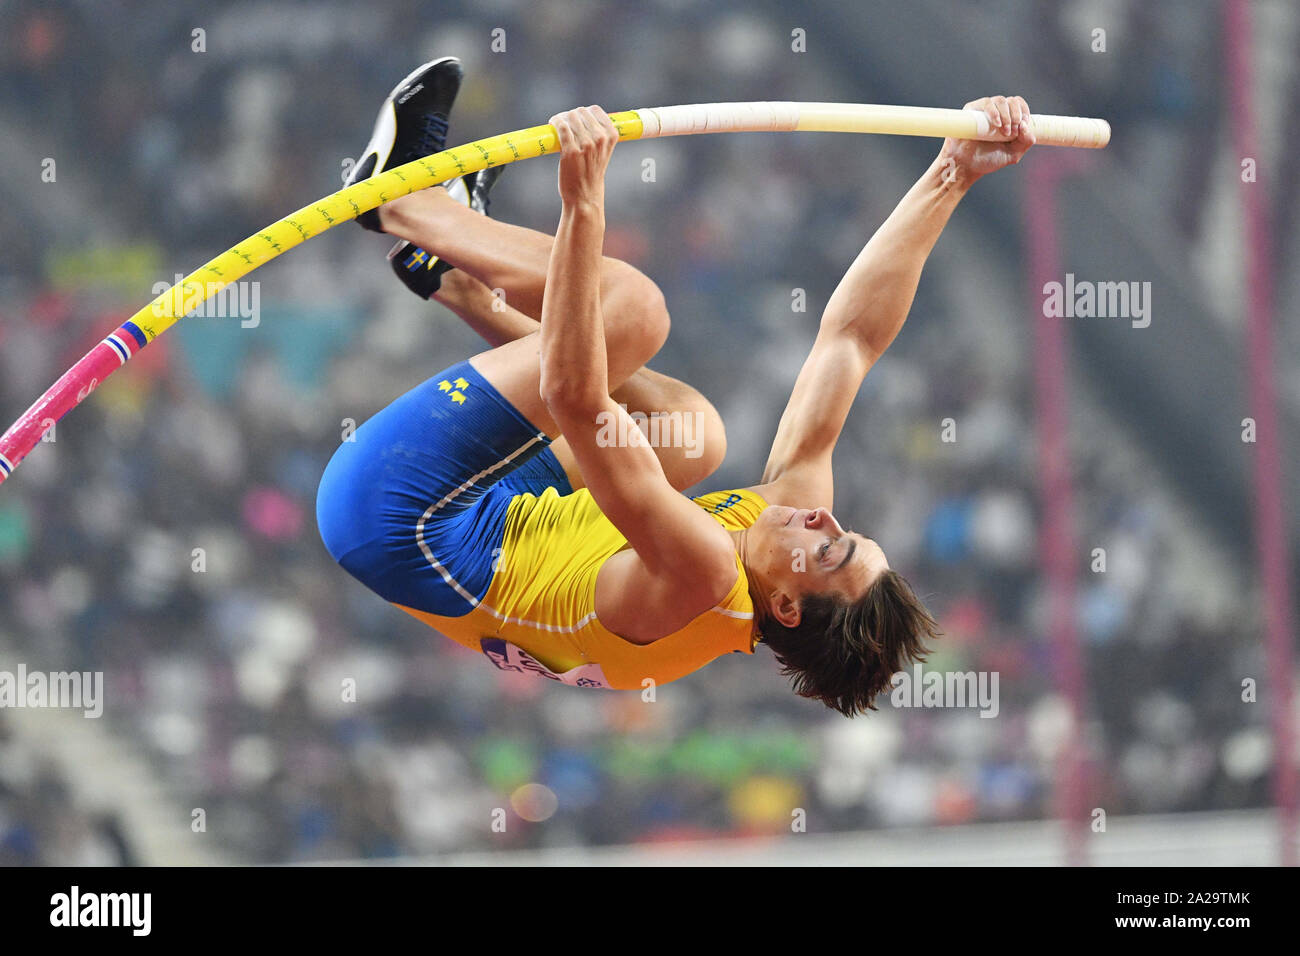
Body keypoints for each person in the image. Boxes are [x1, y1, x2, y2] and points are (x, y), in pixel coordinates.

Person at [317, 57, 1037, 714]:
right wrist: (953, 173)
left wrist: (583, 203)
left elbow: (576, 396)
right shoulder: (777, 538)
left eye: (829, 551)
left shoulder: (704, 576)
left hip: (397, 517)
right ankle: (454, 278)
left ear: (785, 606)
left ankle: (398, 198)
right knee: (692, 431)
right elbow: (850, 342)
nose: (825, 520)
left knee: (630, 312)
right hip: (501, 520)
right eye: (847, 533)